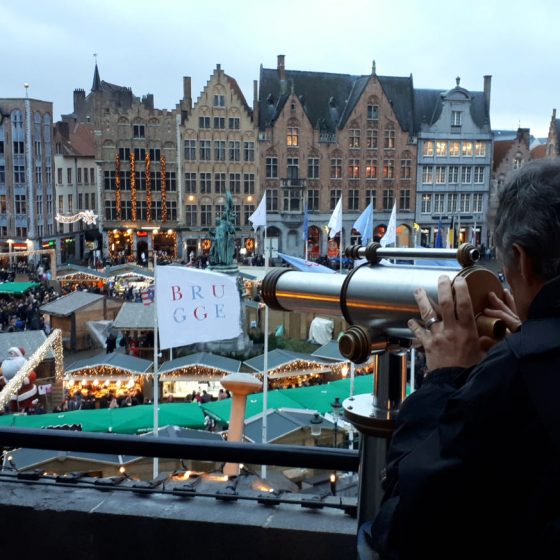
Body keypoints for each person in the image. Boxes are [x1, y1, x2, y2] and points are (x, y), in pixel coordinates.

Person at [365, 160, 560, 560]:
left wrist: (444, 378)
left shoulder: (515, 373)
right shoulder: (529, 357)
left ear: (521, 260)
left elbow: (404, 522)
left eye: (505, 276)